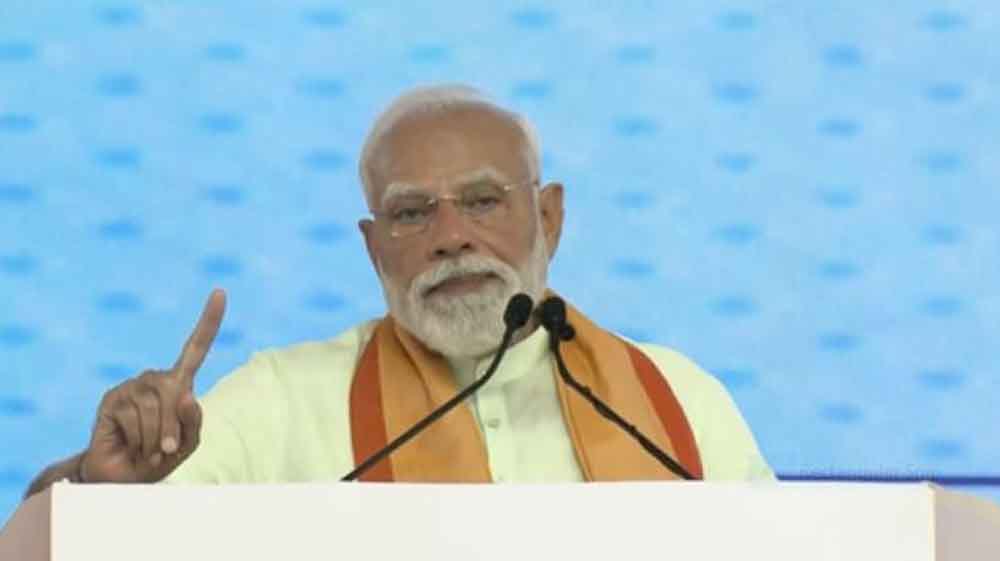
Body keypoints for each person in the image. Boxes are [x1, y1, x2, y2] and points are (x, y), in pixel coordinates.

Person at [25, 85, 772, 497]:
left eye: (482, 201)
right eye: (412, 212)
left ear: (549, 218)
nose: (451, 236)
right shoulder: (282, 401)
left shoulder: (678, 401)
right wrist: (95, 484)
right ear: (373, 245)